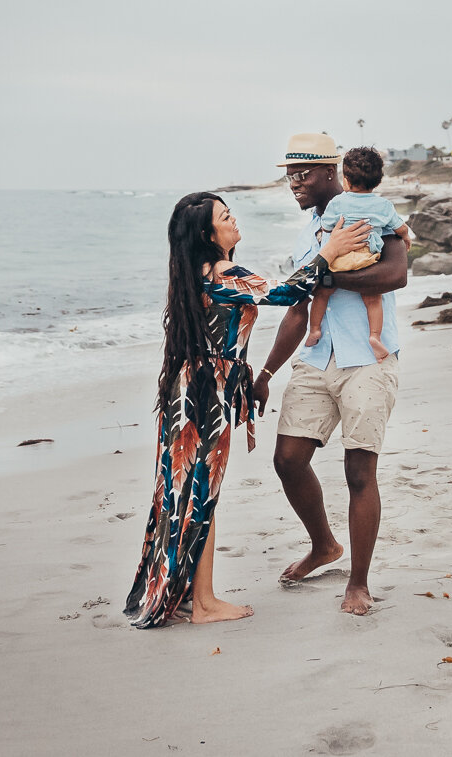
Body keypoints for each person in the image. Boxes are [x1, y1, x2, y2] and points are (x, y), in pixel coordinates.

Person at [124, 191, 373, 628]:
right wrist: (328, 251)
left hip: (196, 389)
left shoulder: (197, 271)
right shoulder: (220, 270)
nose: (234, 220)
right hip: (204, 396)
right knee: (200, 493)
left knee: (187, 492)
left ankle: (185, 593)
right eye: (225, 216)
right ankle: (203, 603)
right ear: (207, 234)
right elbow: (283, 293)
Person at [251, 132, 412, 616]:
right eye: (288, 176)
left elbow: (395, 274)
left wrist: (324, 274)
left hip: (369, 357)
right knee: (288, 459)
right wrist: (265, 372)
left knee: (359, 471)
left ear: (329, 172)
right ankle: (324, 546)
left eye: (300, 175)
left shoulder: (370, 212)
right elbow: (297, 310)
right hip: (318, 357)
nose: (293, 184)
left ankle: (358, 583)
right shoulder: (309, 233)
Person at [303, 147, 410, 361]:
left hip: (340, 257)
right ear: (377, 181)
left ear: (347, 180)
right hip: (366, 259)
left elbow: (326, 227)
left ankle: (314, 329)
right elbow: (400, 228)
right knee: (373, 299)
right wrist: (406, 238)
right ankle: (375, 337)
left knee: (323, 292)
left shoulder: (337, 203)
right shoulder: (383, 205)